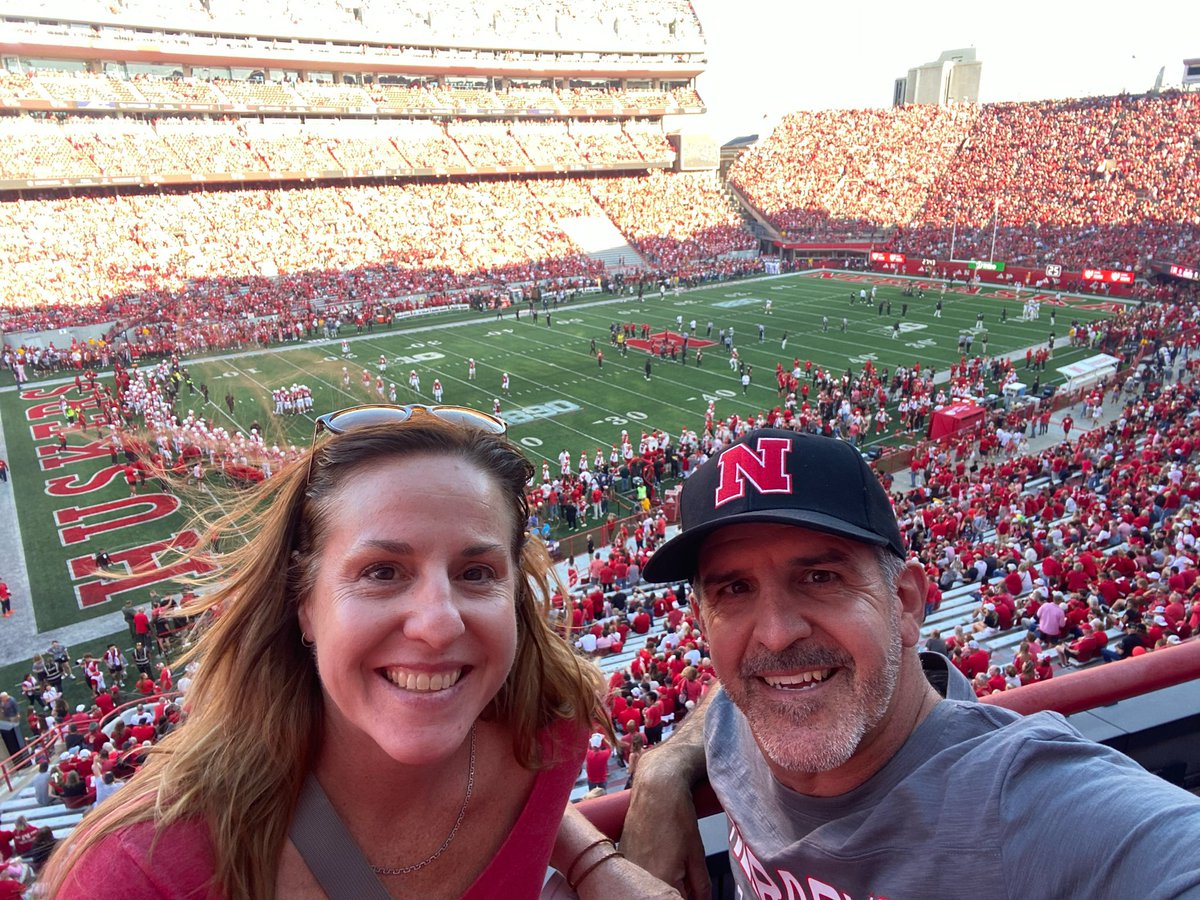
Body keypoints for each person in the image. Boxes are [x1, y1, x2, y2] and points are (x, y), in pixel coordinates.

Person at [46, 405, 676, 899]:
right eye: (381, 571)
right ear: (304, 602)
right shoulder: (143, 872)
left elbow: (526, 791)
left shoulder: (550, 732)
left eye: (477, 572)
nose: (437, 622)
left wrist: (594, 858)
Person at [622, 429, 1200, 899]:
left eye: (820, 578)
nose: (774, 636)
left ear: (906, 602)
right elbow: (725, 704)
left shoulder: (1021, 803)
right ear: (702, 621)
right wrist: (663, 768)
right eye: (734, 590)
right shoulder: (746, 709)